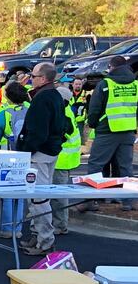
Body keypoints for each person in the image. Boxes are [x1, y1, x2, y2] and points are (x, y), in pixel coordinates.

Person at [16, 62, 69, 255]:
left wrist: (26, 150)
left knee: (38, 199)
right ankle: (38, 236)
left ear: (44, 79)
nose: (31, 79)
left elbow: (37, 132)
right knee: (39, 196)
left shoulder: (42, 99)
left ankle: (45, 241)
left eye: (34, 76)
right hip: (50, 151)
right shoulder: (55, 95)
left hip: (40, 154)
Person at [84, 56, 137, 212]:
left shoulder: (105, 84)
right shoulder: (135, 84)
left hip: (107, 130)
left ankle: (92, 200)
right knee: (125, 167)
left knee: (96, 164)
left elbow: (94, 109)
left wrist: (93, 124)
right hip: (128, 131)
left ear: (111, 67)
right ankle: (129, 201)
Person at [0, 81, 31, 239]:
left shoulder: (3, 114)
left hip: (7, 158)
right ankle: (18, 228)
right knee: (20, 194)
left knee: (6, 195)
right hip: (26, 157)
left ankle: (6, 228)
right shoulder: (30, 111)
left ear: (7, 97)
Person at [50, 86, 82, 235]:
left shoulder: (63, 114)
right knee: (57, 194)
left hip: (62, 159)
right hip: (65, 158)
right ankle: (58, 223)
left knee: (59, 195)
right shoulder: (66, 111)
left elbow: (59, 136)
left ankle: (60, 225)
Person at [69, 78, 89, 142]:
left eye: (80, 84)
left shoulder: (86, 95)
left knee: (80, 139)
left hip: (81, 121)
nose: (78, 86)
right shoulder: (68, 94)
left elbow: (89, 108)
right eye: (76, 84)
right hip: (70, 120)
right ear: (72, 85)